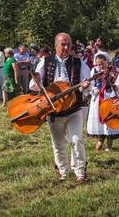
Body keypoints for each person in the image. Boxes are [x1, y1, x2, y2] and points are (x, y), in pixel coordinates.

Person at [30, 33, 91, 182]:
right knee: (58, 144)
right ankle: (63, 171)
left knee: (77, 140)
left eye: (69, 44)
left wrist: (85, 86)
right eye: (63, 44)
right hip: (53, 110)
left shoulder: (79, 63)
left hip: (74, 108)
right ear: (56, 45)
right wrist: (36, 81)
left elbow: (88, 86)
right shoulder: (45, 61)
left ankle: (80, 172)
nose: (66, 47)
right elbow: (33, 87)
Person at [87, 54, 119, 151]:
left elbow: (118, 83)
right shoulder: (94, 71)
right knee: (100, 120)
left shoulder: (114, 71)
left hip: (110, 97)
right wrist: (95, 90)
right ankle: (100, 141)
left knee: (110, 118)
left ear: (107, 62)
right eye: (98, 64)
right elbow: (91, 85)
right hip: (98, 98)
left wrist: (114, 88)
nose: (100, 66)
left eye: (102, 64)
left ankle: (109, 145)